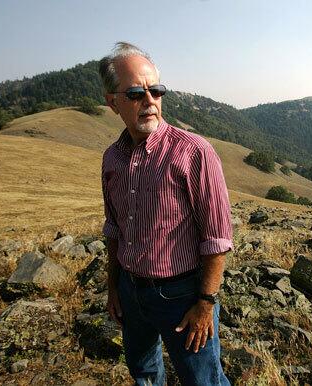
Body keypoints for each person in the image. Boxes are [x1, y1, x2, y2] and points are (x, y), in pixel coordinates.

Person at [100, 42, 232, 385]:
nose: (149, 100)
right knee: (143, 372)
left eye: (156, 90)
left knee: (203, 379)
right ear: (112, 102)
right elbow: (114, 229)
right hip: (130, 291)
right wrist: (114, 287)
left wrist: (205, 303)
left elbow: (217, 239)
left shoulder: (194, 153)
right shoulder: (112, 159)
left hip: (182, 296)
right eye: (135, 93)